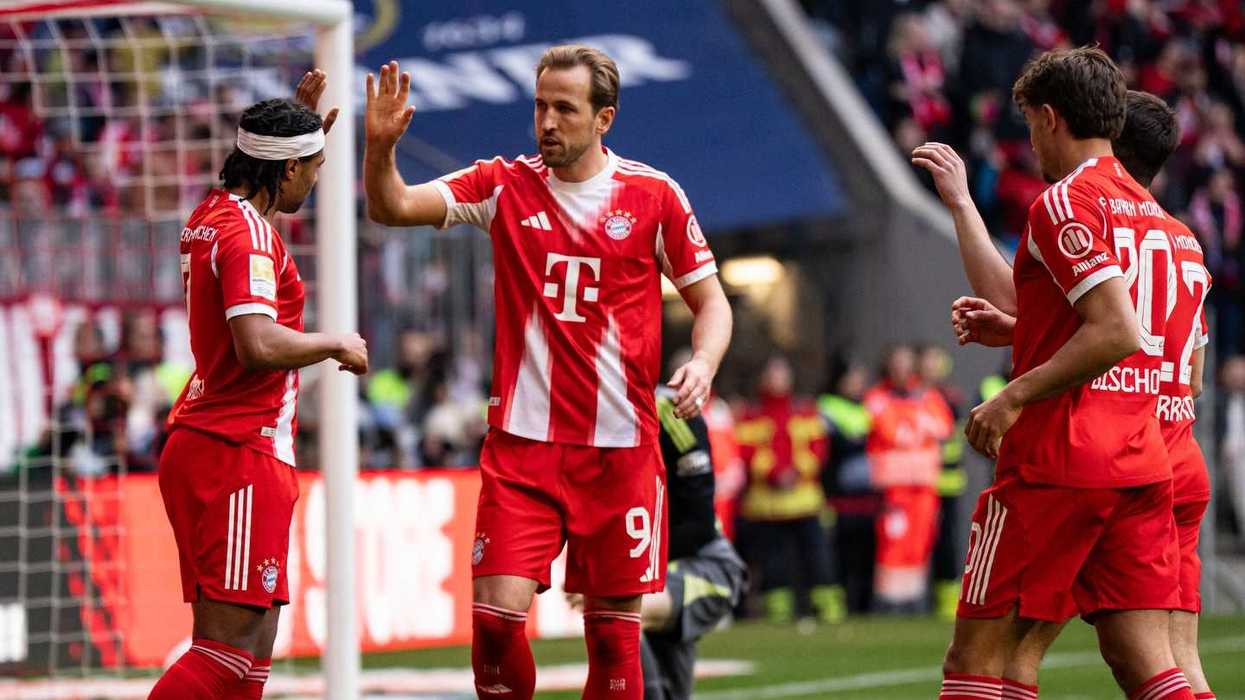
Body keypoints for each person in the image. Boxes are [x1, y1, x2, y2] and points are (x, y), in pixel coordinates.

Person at [361, 46, 733, 699]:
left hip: (619, 454)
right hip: (523, 451)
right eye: (539, 106)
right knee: (494, 623)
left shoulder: (654, 197)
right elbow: (392, 206)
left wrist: (702, 363)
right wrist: (380, 150)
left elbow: (713, 305)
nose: (547, 122)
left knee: (613, 642)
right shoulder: (502, 185)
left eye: (565, 108)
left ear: (604, 118)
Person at [912, 48, 1193, 700]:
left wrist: (1011, 396)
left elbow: (1116, 330)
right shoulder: (1162, 221)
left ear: (1048, 118)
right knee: (1146, 665)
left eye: (1030, 125)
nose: (1031, 143)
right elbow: (1134, 338)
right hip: (1144, 458)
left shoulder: (1065, 201)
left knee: (975, 656)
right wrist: (1024, 331)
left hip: (1060, 458)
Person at [148, 71, 367, 700]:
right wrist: (335, 342)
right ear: (287, 169)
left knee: (250, 659)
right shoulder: (246, 236)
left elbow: (264, 182)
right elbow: (259, 344)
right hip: (234, 451)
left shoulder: (214, 214)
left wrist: (297, 130)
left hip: (223, 443)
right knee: (225, 654)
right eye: (313, 168)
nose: (317, 180)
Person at [571, 386, 746, 700]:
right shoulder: (584, 416)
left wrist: (624, 570)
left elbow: (699, 523)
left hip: (707, 566)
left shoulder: (669, 409)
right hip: (646, 571)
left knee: (614, 608)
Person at [735, 355, 838, 624]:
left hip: (804, 499)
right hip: (766, 503)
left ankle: (826, 606)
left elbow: (818, 447)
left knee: (817, 556)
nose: (776, 379)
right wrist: (774, 474)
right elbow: (746, 451)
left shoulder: (805, 410)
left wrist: (797, 472)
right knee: (773, 561)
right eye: (772, 374)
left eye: (781, 374)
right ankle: (778, 610)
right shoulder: (751, 414)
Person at [863, 344, 953, 613]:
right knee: (893, 541)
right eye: (897, 363)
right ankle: (889, 601)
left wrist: (915, 427)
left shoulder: (927, 395)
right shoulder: (878, 397)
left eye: (906, 363)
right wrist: (917, 428)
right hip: (893, 486)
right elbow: (891, 431)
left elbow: (942, 427)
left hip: (924, 484)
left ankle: (913, 600)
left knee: (920, 541)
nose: (901, 369)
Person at [818, 358, 876, 614]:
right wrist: (861, 441)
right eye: (853, 378)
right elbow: (832, 449)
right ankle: (841, 604)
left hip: (869, 493)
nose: (857, 383)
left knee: (867, 552)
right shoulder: (827, 407)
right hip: (840, 494)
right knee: (842, 551)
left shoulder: (868, 405)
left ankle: (864, 605)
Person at [917, 344, 969, 620]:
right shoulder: (917, 397)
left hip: (946, 482)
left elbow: (951, 440)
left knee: (947, 542)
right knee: (920, 542)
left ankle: (947, 600)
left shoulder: (949, 398)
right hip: (920, 484)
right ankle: (916, 598)